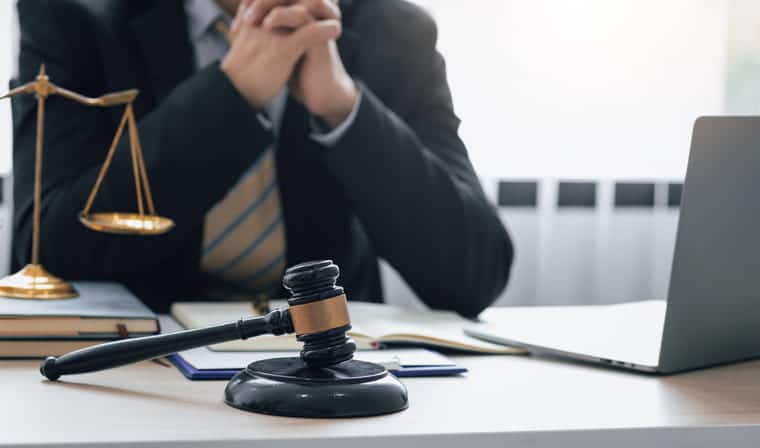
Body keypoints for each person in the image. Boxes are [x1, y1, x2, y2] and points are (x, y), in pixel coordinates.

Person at [11, 0, 513, 317]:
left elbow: (473, 276)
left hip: (324, 373)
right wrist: (232, 94)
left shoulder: (395, 30)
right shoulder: (72, 12)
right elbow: (47, 249)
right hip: (135, 364)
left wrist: (343, 110)